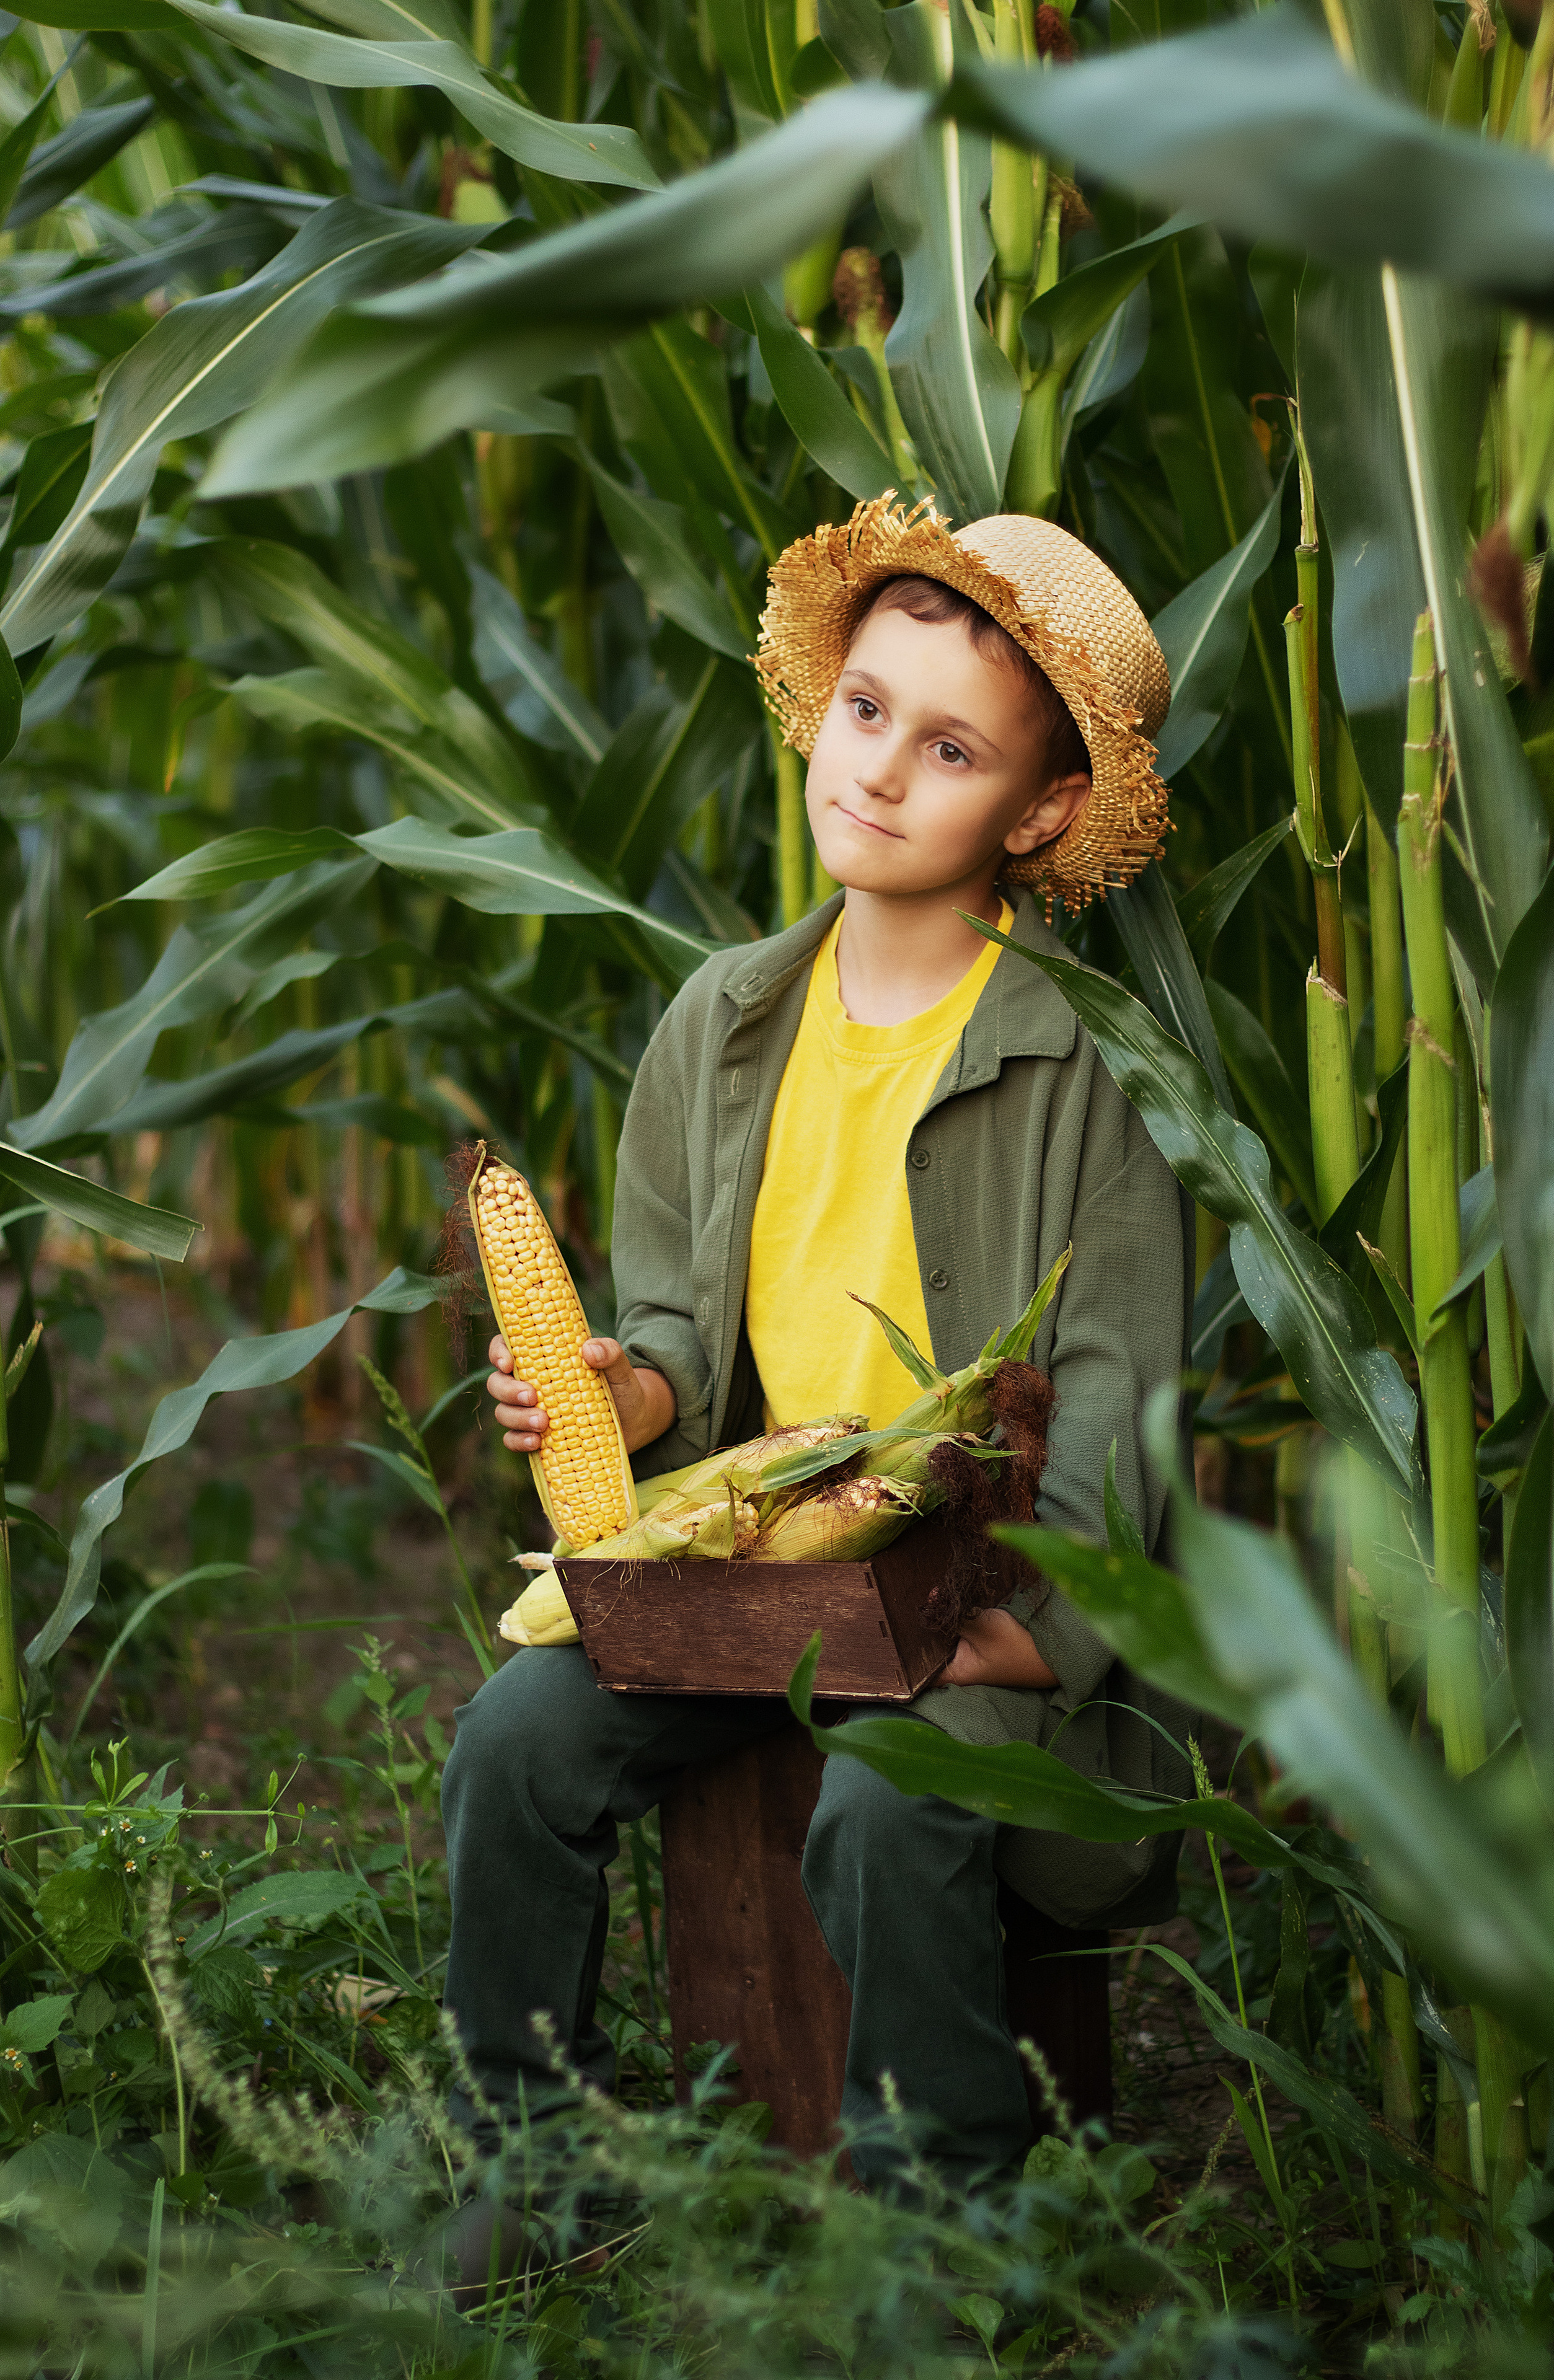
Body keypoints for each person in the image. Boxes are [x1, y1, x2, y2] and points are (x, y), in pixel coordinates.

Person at [441, 495, 1193, 2236]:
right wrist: (616, 1398)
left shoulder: (1091, 1067)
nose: (879, 769)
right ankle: (532, 2165)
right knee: (511, 1748)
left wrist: (1029, 1627)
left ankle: (953, 2229)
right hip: (758, 1560)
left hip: (968, 1584)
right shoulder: (721, 1023)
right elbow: (692, 1339)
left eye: (949, 747)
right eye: (866, 709)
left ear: (1043, 809)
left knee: (885, 1805)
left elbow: (1116, 1391)